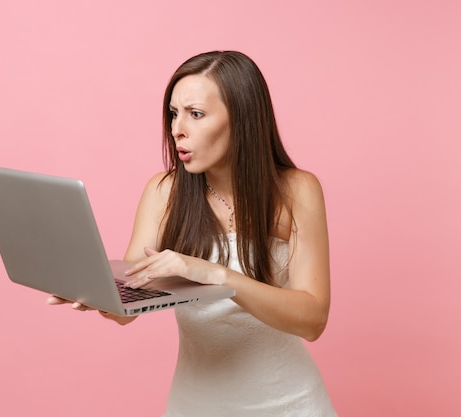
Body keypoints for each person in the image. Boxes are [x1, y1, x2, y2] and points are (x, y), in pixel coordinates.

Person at [48, 50, 337, 416]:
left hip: (288, 403)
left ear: (243, 119)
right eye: (174, 113)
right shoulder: (163, 192)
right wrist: (99, 294)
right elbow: (129, 304)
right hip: (195, 403)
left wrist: (216, 276)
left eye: (195, 114)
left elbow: (312, 320)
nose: (176, 129)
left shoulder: (296, 191)